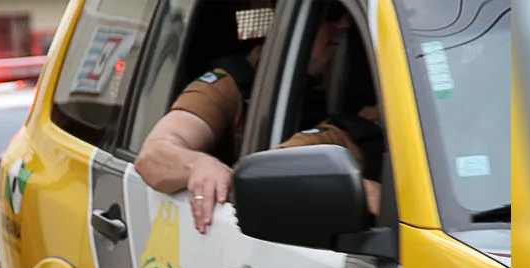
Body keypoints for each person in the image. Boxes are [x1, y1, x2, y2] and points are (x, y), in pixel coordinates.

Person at [134, 4, 383, 234]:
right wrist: (199, 166)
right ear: (282, 17)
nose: (343, 25)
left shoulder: (361, 91)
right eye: (330, 10)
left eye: (347, 17)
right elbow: (153, 155)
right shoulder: (230, 87)